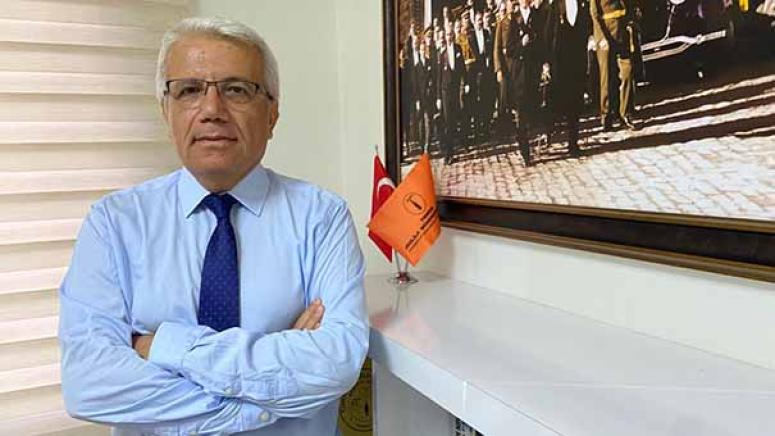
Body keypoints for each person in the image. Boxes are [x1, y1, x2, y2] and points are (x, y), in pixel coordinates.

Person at [58, 17, 368, 436]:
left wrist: (161, 346)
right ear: (166, 111)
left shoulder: (322, 218)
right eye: (189, 90)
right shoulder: (114, 223)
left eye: (236, 89)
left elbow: (334, 365)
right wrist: (264, 399)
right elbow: (89, 385)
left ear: (272, 113)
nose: (212, 110)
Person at [544, 0, 589, 157]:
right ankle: (549, 134)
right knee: (557, 103)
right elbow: (548, 34)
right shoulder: (556, 6)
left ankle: (573, 143)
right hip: (560, 63)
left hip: (577, 62)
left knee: (575, 104)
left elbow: (587, 28)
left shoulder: (583, 4)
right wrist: (546, 62)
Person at [590, 0, 637, 130]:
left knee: (628, 71)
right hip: (606, 32)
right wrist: (601, 37)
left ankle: (625, 113)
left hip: (622, 30)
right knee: (607, 77)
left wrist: (631, 21)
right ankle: (606, 115)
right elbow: (594, 13)